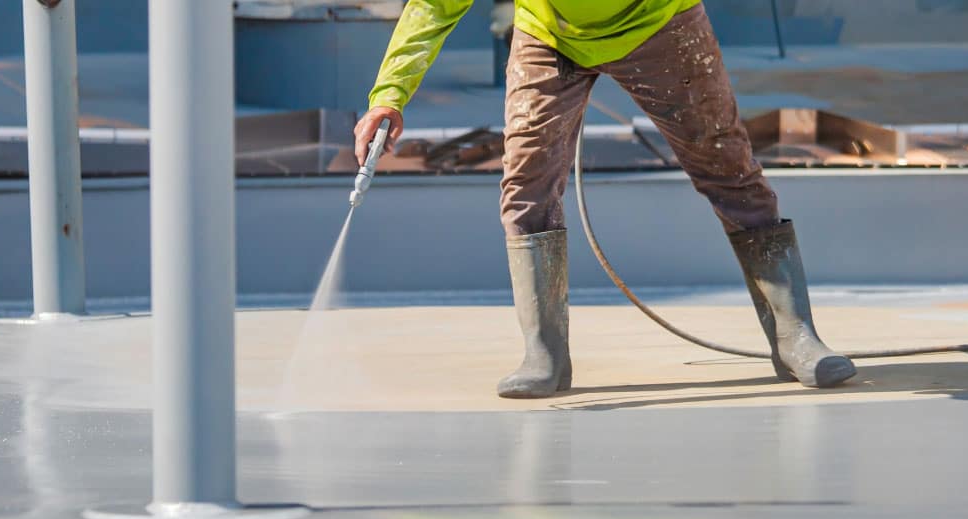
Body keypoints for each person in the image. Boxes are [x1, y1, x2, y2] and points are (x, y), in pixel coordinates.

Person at [354, 0, 856, 398]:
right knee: (527, 185)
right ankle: (544, 355)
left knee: (728, 170)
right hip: (549, 35)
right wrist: (389, 95)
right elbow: (436, 4)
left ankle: (795, 338)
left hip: (660, 22)